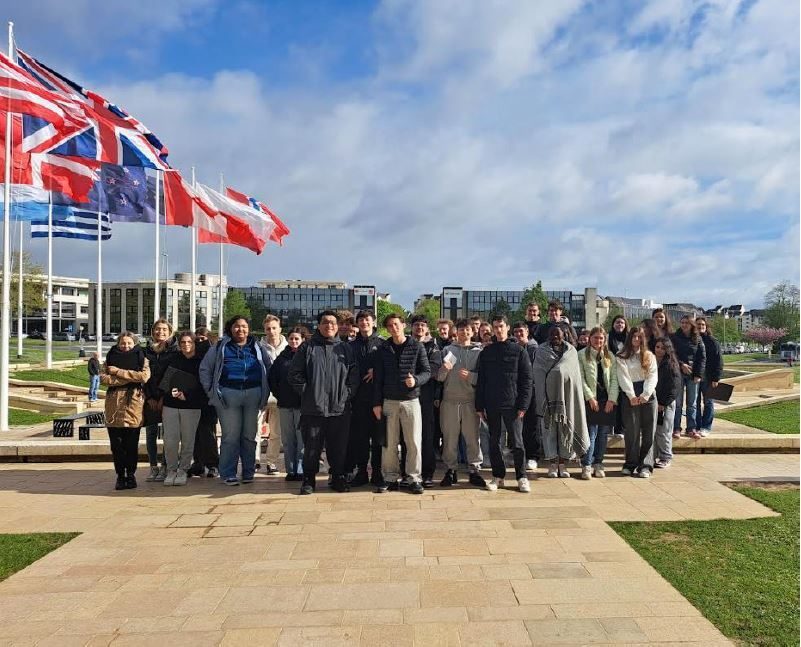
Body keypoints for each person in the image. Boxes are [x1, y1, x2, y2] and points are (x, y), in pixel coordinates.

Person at [287, 310, 358, 494]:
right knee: (311, 448)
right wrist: (307, 392)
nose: (330, 326)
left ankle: (337, 477)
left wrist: (346, 394)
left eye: (333, 323)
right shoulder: (307, 347)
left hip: (339, 408)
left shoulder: (345, 348)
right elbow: (294, 374)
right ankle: (309, 480)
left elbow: (354, 376)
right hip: (313, 409)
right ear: (318, 326)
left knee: (338, 447)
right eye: (325, 322)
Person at [199, 315, 271, 486]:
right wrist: (211, 392)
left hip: (253, 394)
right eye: (237, 326)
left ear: (249, 328)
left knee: (249, 436)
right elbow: (205, 369)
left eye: (244, 326)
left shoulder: (258, 347)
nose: (241, 330)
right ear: (230, 329)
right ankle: (228, 473)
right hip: (228, 395)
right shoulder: (220, 347)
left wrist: (265, 392)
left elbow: (268, 368)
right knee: (230, 437)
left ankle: (248, 472)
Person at [372, 312, 431, 494]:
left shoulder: (417, 346)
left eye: (396, 324)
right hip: (389, 401)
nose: (393, 328)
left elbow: (427, 372)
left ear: (403, 325)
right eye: (389, 326)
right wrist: (377, 403)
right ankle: (390, 478)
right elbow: (378, 378)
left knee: (413, 441)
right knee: (389, 443)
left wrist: (416, 381)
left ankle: (414, 478)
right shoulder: (383, 349)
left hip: (411, 401)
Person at [476, 315, 533, 492]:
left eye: (501, 326)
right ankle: (498, 476)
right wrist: (479, 406)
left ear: (507, 328)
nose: (498, 330)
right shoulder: (487, 352)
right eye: (495, 327)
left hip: (513, 404)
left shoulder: (519, 351)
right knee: (494, 443)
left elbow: (527, 380)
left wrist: (523, 405)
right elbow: (481, 381)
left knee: (517, 443)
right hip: (492, 404)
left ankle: (521, 476)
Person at [533, 327, 589, 478]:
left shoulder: (571, 351)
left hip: (567, 398)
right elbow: (537, 374)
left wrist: (558, 373)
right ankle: (552, 465)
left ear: (564, 334)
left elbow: (574, 376)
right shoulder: (540, 351)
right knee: (549, 431)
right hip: (547, 398)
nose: (555, 336)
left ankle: (563, 465)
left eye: (558, 333)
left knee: (566, 428)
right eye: (552, 333)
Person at [437, 319, 485, 488]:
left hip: (470, 402)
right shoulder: (447, 350)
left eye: (468, 330)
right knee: (449, 439)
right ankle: (451, 470)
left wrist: (471, 377)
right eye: (461, 330)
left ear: (473, 332)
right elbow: (439, 377)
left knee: (473, 438)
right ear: (455, 332)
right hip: (450, 402)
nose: (465, 333)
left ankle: (474, 469)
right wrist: (445, 369)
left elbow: (485, 379)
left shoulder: (479, 352)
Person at [100, 333, 150, 490]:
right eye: (123, 343)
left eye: (129, 343)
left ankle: (131, 475)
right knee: (116, 445)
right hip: (113, 405)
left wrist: (118, 372)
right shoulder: (110, 357)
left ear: (134, 344)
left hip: (132, 406)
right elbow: (103, 378)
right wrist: (129, 377)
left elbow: (144, 376)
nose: (125, 346)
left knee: (131, 444)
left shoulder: (141, 358)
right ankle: (120, 475)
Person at [160, 331, 207, 486]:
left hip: (192, 406)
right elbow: (166, 381)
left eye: (189, 342)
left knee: (188, 440)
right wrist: (174, 393)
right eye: (183, 343)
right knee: (171, 440)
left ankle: (183, 470)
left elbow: (203, 385)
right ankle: (171, 470)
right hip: (171, 405)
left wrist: (186, 395)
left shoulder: (201, 362)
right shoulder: (173, 360)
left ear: (194, 344)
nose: (186, 345)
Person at [346, 310, 385, 487]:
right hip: (358, 398)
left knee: (378, 438)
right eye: (360, 320)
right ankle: (361, 472)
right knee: (359, 438)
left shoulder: (384, 344)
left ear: (373, 322)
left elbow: (391, 366)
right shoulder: (351, 346)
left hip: (378, 398)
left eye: (367, 320)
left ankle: (377, 472)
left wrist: (377, 372)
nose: (364, 323)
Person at [616, 328, 659, 477]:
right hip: (630, 395)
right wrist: (631, 395)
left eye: (639, 337)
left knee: (649, 431)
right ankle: (630, 464)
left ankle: (646, 465)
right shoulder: (622, 355)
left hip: (648, 394)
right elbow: (623, 376)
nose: (636, 340)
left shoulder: (649, 355)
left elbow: (652, 376)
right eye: (633, 337)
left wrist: (646, 394)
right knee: (631, 432)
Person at [577, 327, 618, 479]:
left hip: (606, 400)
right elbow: (580, 378)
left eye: (601, 338)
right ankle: (587, 464)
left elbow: (614, 379)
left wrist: (612, 399)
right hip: (591, 400)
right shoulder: (581, 355)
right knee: (591, 434)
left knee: (603, 434)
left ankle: (598, 463)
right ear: (590, 338)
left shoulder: (609, 356)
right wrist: (590, 397)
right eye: (595, 338)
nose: (598, 341)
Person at [268, 327, 308, 481]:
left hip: (302, 405)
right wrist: (279, 394)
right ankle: (291, 470)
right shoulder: (281, 358)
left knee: (301, 440)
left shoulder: (307, 356)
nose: (294, 341)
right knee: (288, 439)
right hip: (284, 405)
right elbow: (273, 378)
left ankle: (300, 469)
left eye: (297, 338)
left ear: (303, 340)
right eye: (291, 338)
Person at [408, 315, 443, 488]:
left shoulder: (434, 347)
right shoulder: (406, 344)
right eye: (416, 325)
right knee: (407, 438)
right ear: (411, 327)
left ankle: (428, 473)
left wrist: (415, 377)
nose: (420, 328)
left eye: (423, 325)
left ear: (427, 328)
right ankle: (407, 473)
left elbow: (434, 370)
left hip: (426, 397)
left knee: (427, 437)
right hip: (407, 396)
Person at [143, 319, 178, 482]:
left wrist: (163, 397)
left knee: (168, 434)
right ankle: (153, 467)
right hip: (149, 398)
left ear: (170, 331)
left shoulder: (174, 351)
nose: (160, 332)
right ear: (153, 331)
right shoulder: (144, 351)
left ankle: (165, 465)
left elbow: (172, 375)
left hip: (167, 398)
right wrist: (149, 397)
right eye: (157, 329)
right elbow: (143, 376)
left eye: (164, 329)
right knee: (150, 433)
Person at [259, 314, 288, 474]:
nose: (271, 331)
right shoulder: (258, 347)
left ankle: (271, 462)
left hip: (279, 396)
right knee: (254, 431)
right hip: (261, 394)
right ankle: (255, 461)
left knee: (276, 432)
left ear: (280, 329)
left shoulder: (288, 347)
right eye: (268, 328)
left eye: (274, 328)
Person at [188, 327, 219, 478]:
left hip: (208, 400)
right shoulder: (192, 355)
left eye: (203, 339)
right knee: (194, 433)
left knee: (208, 434)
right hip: (193, 399)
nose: (200, 342)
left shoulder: (213, 354)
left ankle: (213, 464)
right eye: (197, 339)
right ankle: (198, 462)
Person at [512, 321, 541, 471]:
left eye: (521, 331)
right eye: (516, 331)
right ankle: (518, 454)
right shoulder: (513, 348)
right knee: (517, 425)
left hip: (531, 390)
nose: (518, 334)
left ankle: (532, 456)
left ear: (527, 332)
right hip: (515, 391)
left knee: (531, 425)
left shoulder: (534, 348)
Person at [670, 316, 706, 440]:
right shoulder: (674, 337)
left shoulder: (698, 338)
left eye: (687, 323)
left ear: (691, 325)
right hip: (678, 374)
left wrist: (698, 375)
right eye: (682, 322)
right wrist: (681, 364)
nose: (684, 325)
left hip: (693, 375)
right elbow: (671, 354)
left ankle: (691, 428)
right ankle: (676, 428)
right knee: (678, 403)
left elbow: (702, 358)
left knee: (692, 404)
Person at [654, 337, 682, 469]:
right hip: (653, 402)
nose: (659, 350)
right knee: (655, 431)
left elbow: (675, 387)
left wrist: (663, 403)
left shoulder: (672, 364)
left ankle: (666, 456)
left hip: (666, 403)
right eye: (657, 347)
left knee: (664, 430)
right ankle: (654, 456)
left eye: (663, 348)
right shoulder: (652, 362)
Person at [694, 317, 723, 437]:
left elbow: (718, 361)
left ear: (706, 327)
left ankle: (706, 427)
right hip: (695, 377)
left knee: (708, 402)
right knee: (695, 403)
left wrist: (716, 378)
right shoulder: (692, 340)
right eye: (698, 325)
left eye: (702, 325)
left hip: (708, 378)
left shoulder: (712, 341)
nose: (700, 326)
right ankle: (696, 426)